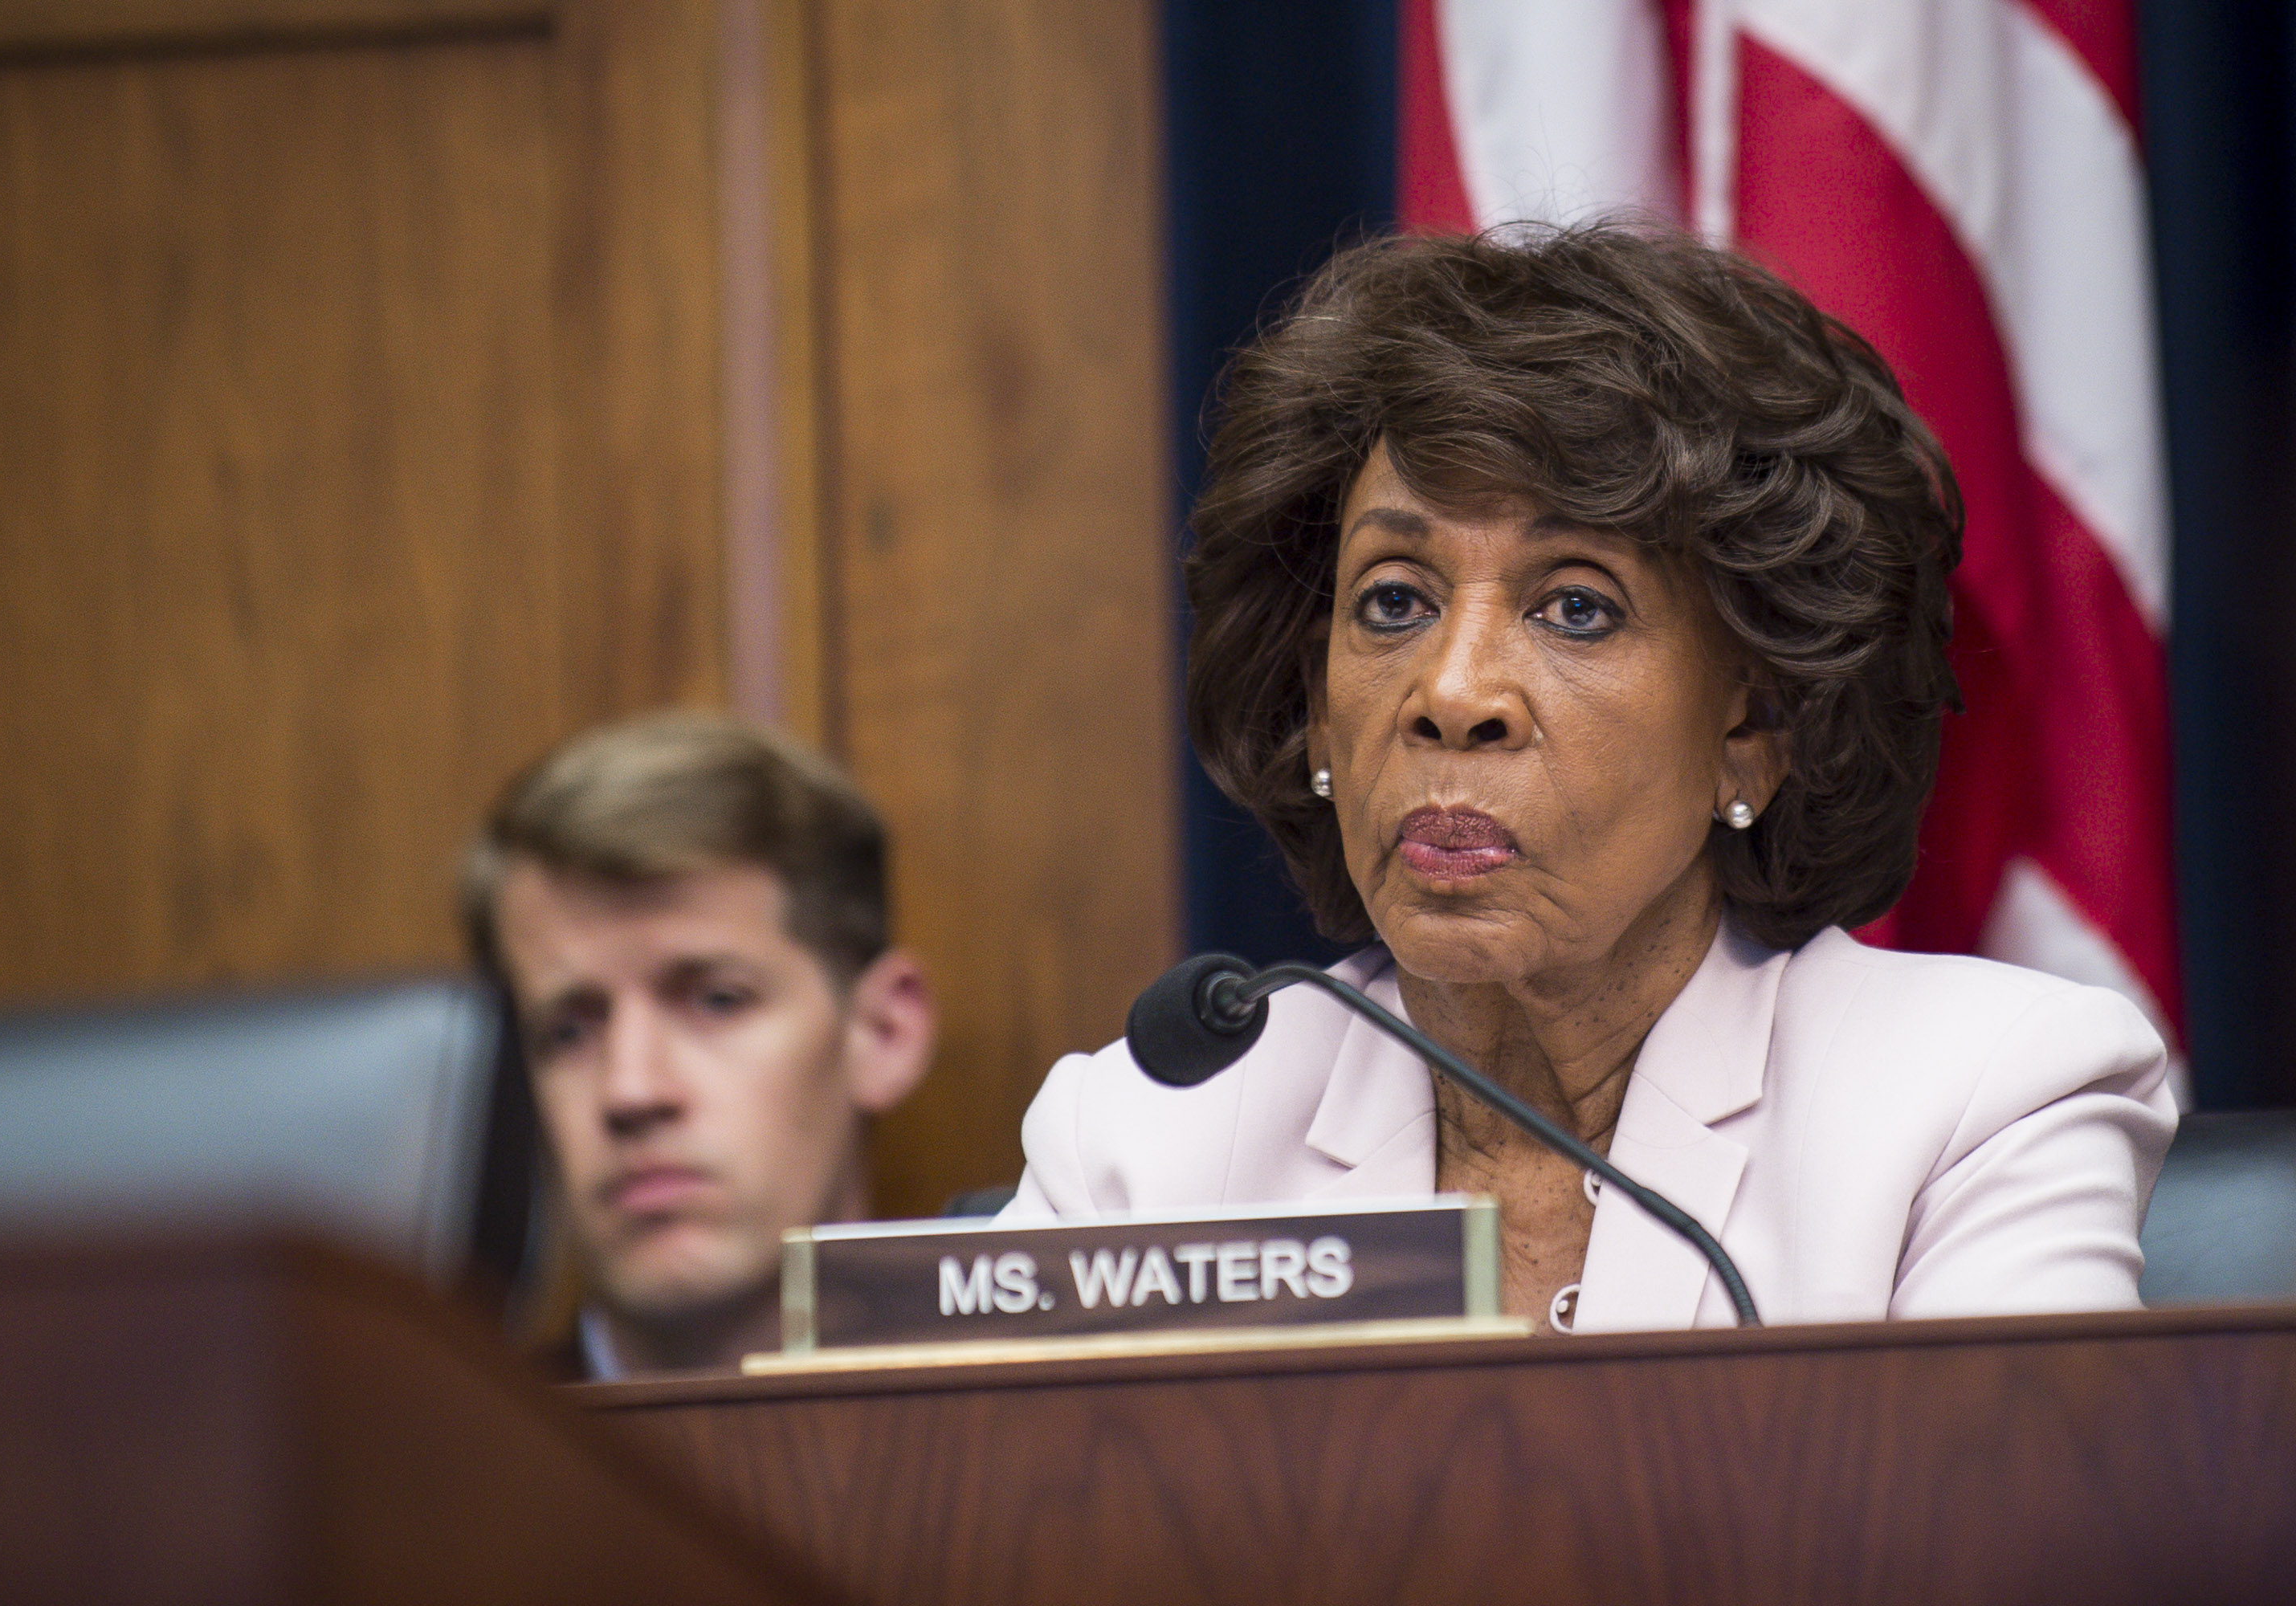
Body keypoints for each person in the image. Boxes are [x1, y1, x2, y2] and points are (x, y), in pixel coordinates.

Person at [1001, 225, 2176, 1334]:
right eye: (1393, 602)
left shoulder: (1974, 1104)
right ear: (1316, 713)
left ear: (1755, 727)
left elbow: (2006, 1540)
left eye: (1576, 608)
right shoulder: (1155, 1141)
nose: (1453, 693)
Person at [467, 711, 934, 1376]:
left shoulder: (1038, 1452)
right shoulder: (431, 1472)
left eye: (717, 1000)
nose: (630, 1091)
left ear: (883, 1035)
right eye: (567, 1031)